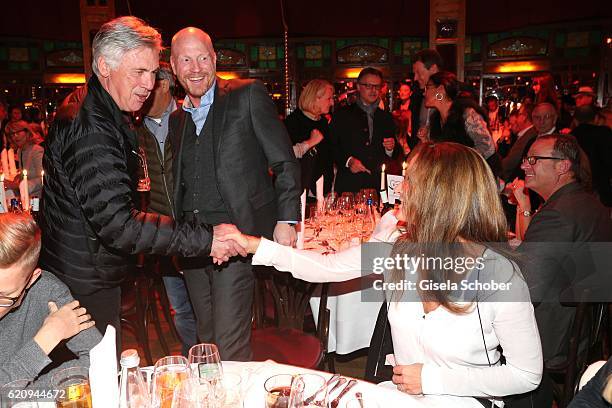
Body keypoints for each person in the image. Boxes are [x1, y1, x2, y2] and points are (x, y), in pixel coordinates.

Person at [225, 142, 543, 407]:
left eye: (410, 181)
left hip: (465, 400)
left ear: (440, 197)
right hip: (404, 398)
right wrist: (252, 245)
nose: (399, 187)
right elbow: (326, 266)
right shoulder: (399, 249)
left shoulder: (498, 274)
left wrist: (433, 379)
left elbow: (526, 374)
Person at [40, 17, 244, 341]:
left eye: (153, 73)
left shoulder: (102, 110)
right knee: (95, 378)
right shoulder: (91, 126)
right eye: (139, 72)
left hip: (86, 271)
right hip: (82, 282)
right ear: (105, 66)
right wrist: (207, 239)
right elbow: (119, 225)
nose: (150, 84)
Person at [168, 27, 300, 360]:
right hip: (194, 243)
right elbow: (180, 186)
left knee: (229, 343)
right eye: (186, 59)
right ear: (173, 66)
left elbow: (284, 160)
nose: (195, 67)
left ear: (214, 59)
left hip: (238, 237)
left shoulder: (247, 95)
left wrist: (287, 218)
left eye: (202, 58)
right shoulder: (176, 120)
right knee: (205, 339)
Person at [511, 134, 612, 406]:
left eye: (534, 160)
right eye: (525, 159)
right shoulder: (591, 205)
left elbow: (526, 286)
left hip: (550, 335)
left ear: (563, 166)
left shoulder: (558, 213)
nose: (524, 166)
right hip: (582, 333)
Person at [135, 62, 197, 356]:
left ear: (163, 86)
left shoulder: (190, 119)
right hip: (162, 234)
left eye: (148, 84)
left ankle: (213, 361)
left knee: (204, 304)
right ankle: (191, 358)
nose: (141, 92)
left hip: (195, 229)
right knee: (180, 308)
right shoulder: (133, 131)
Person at [0, 213, 101, 387]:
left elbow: (101, 359)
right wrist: (47, 339)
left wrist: (28, 395)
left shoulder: (47, 290)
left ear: (32, 279)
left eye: (3, 297)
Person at [329, 67, 401, 194]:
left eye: (377, 86)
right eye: (368, 86)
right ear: (358, 86)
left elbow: (396, 153)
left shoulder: (386, 117)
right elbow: (331, 147)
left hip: (378, 186)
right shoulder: (342, 115)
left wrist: (391, 149)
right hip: (349, 185)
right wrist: (349, 161)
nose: (373, 90)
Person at [425, 71, 499, 175]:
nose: (424, 93)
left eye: (427, 87)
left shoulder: (467, 114)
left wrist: (459, 164)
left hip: (476, 178)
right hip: (455, 179)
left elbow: (487, 147)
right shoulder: (435, 118)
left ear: (440, 90)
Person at [284, 79, 334, 196]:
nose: (332, 102)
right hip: (296, 191)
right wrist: (310, 142)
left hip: (320, 190)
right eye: (328, 98)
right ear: (315, 98)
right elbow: (282, 156)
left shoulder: (323, 122)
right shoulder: (293, 122)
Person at [3, 120, 44, 196]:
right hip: (25, 196)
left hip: (38, 199)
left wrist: (19, 185)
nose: (14, 137)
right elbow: (27, 172)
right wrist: (20, 176)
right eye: (12, 134)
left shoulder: (37, 151)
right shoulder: (20, 150)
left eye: (17, 132)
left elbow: (43, 179)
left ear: (27, 132)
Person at [392, 81, 414, 154]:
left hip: (410, 139)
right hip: (399, 139)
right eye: (401, 90)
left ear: (410, 93)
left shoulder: (414, 107)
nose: (402, 93)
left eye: (405, 90)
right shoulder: (396, 105)